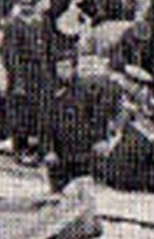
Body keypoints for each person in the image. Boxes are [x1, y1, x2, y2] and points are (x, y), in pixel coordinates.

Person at [44, 53, 119, 191]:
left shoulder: (86, 90)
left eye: (66, 67)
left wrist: (99, 139)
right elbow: (46, 123)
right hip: (60, 153)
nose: (62, 71)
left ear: (74, 68)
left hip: (83, 151)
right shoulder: (50, 90)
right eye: (59, 67)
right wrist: (48, 149)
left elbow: (98, 117)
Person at [0, 0, 56, 163]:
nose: (27, 5)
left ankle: (43, 147)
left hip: (41, 71)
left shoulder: (43, 22)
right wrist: (17, 79)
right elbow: (10, 53)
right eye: (23, 1)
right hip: (22, 71)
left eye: (30, 1)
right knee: (21, 111)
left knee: (43, 110)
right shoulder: (13, 24)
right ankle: (20, 147)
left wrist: (50, 71)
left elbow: (50, 48)